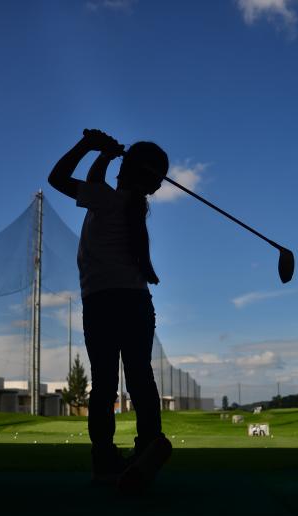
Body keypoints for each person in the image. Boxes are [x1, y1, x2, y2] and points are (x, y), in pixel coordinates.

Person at [48, 129, 172, 492]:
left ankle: (104, 460)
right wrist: (107, 157)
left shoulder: (105, 199)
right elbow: (95, 183)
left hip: (101, 303)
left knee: (104, 385)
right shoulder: (128, 205)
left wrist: (91, 147)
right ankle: (147, 448)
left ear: (125, 171)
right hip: (135, 303)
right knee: (140, 379)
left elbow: (56, 178)